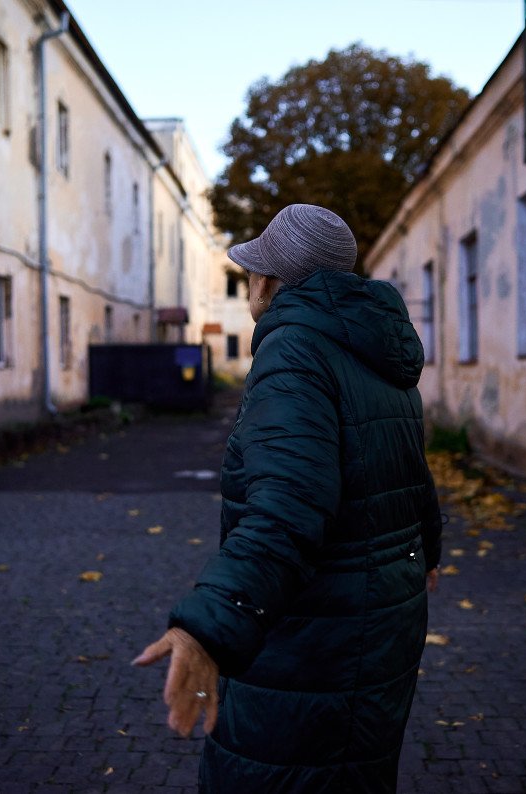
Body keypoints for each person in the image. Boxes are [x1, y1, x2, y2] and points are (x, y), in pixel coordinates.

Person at [134, 203, 442, 793]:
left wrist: (208, 627)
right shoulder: (378, 351)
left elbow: (286, 510)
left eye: (253, 273)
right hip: (383, 620)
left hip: (314, 636)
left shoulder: (295, 352)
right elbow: (408, 467)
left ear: (270, 283)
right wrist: (427, 548)